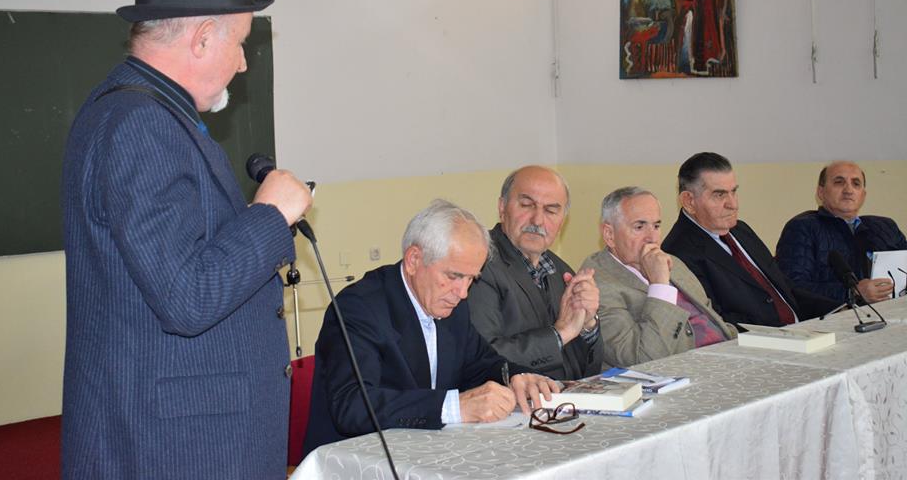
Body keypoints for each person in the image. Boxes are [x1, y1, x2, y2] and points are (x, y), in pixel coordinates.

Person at [61, 0, 313, 479]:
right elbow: (187, 296)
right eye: (240, 43)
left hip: (181, 439)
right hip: (176, 449)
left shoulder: (144, 113)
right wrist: (271, 215)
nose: (243, 63)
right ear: (202, 38)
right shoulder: (141, 125)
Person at [304, 200, 559, 454]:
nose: (462, 292)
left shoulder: (450, 304)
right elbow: (353, 405)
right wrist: (455, 407)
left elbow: (480, 363)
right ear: (414, 260)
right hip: (355, 458)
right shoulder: (358, 307)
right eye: (454, 276)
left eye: (472, 279)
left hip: (424, 451)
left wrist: (516, 377)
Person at [662, 152, 834, 327]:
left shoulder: (741, 229)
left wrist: (837, 310)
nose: (733, 204)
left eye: (733, 192)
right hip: (761, 340)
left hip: (803, 329)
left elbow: (783, 287)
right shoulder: (678, 253)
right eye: (719, 195)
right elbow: (715, 323)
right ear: (689, 201)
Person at [467, 166, 602, 379]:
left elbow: (588, 371)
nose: (538, 220)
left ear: (562, 221)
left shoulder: (562, 271)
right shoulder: (479, 265)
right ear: (502, 208)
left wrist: (587, 325)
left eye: (550, 210)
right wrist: (560, 334)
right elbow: (484, 359)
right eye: (527, 205)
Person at [584, 187, 735, 368]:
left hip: (725, 357)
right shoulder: (596, 285)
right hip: (681, 372)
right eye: (639, 227)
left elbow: (710, 320)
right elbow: (642, 361)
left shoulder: (673, 262)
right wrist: (660, 286)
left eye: (656, 226)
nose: (652, 238)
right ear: (609, 235)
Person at [776, 161, 905, 304]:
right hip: (835, 316)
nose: (848, 190)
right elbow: (792, 287)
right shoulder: (802, 228)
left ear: (863, 195)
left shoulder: (886, 227)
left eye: (856, 184)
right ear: (821, 192)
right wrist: (853, 292)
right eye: (839, 182)